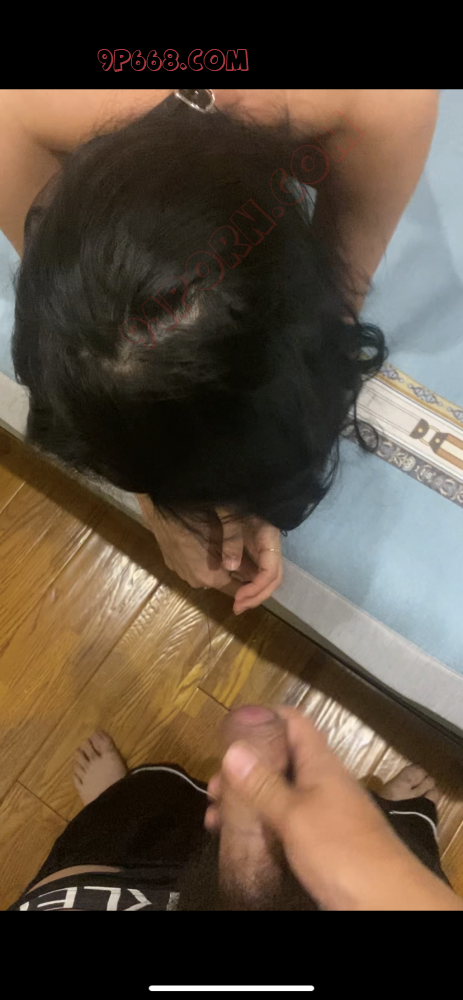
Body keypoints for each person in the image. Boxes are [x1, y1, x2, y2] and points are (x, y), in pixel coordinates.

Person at [1, 88, 438, 612]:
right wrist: (162, 493)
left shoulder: (386, 104)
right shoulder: (16, 120)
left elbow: (332, 317)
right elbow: (86, 345)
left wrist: (257, 474)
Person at [8, 704, 462, 911]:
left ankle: (113, 805)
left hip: (105, 874)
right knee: (401, 854)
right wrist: (395, 884)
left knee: (132, 814)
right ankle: (392, 821)